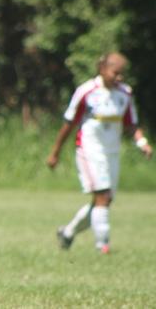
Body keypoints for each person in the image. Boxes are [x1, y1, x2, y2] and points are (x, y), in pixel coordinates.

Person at [47, 52, 152, 254]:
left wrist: (142, 142)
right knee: (102, 196)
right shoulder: (86, 91)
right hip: (89, 150)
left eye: (122, 74)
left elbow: (131, 124)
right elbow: (69, 123)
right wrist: (55, 152)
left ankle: (68, 233)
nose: (119, 78)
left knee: (104, 201)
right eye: (116, 73)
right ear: (102, 69)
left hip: (112, 153)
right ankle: (102, 245)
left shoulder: (125, 93)